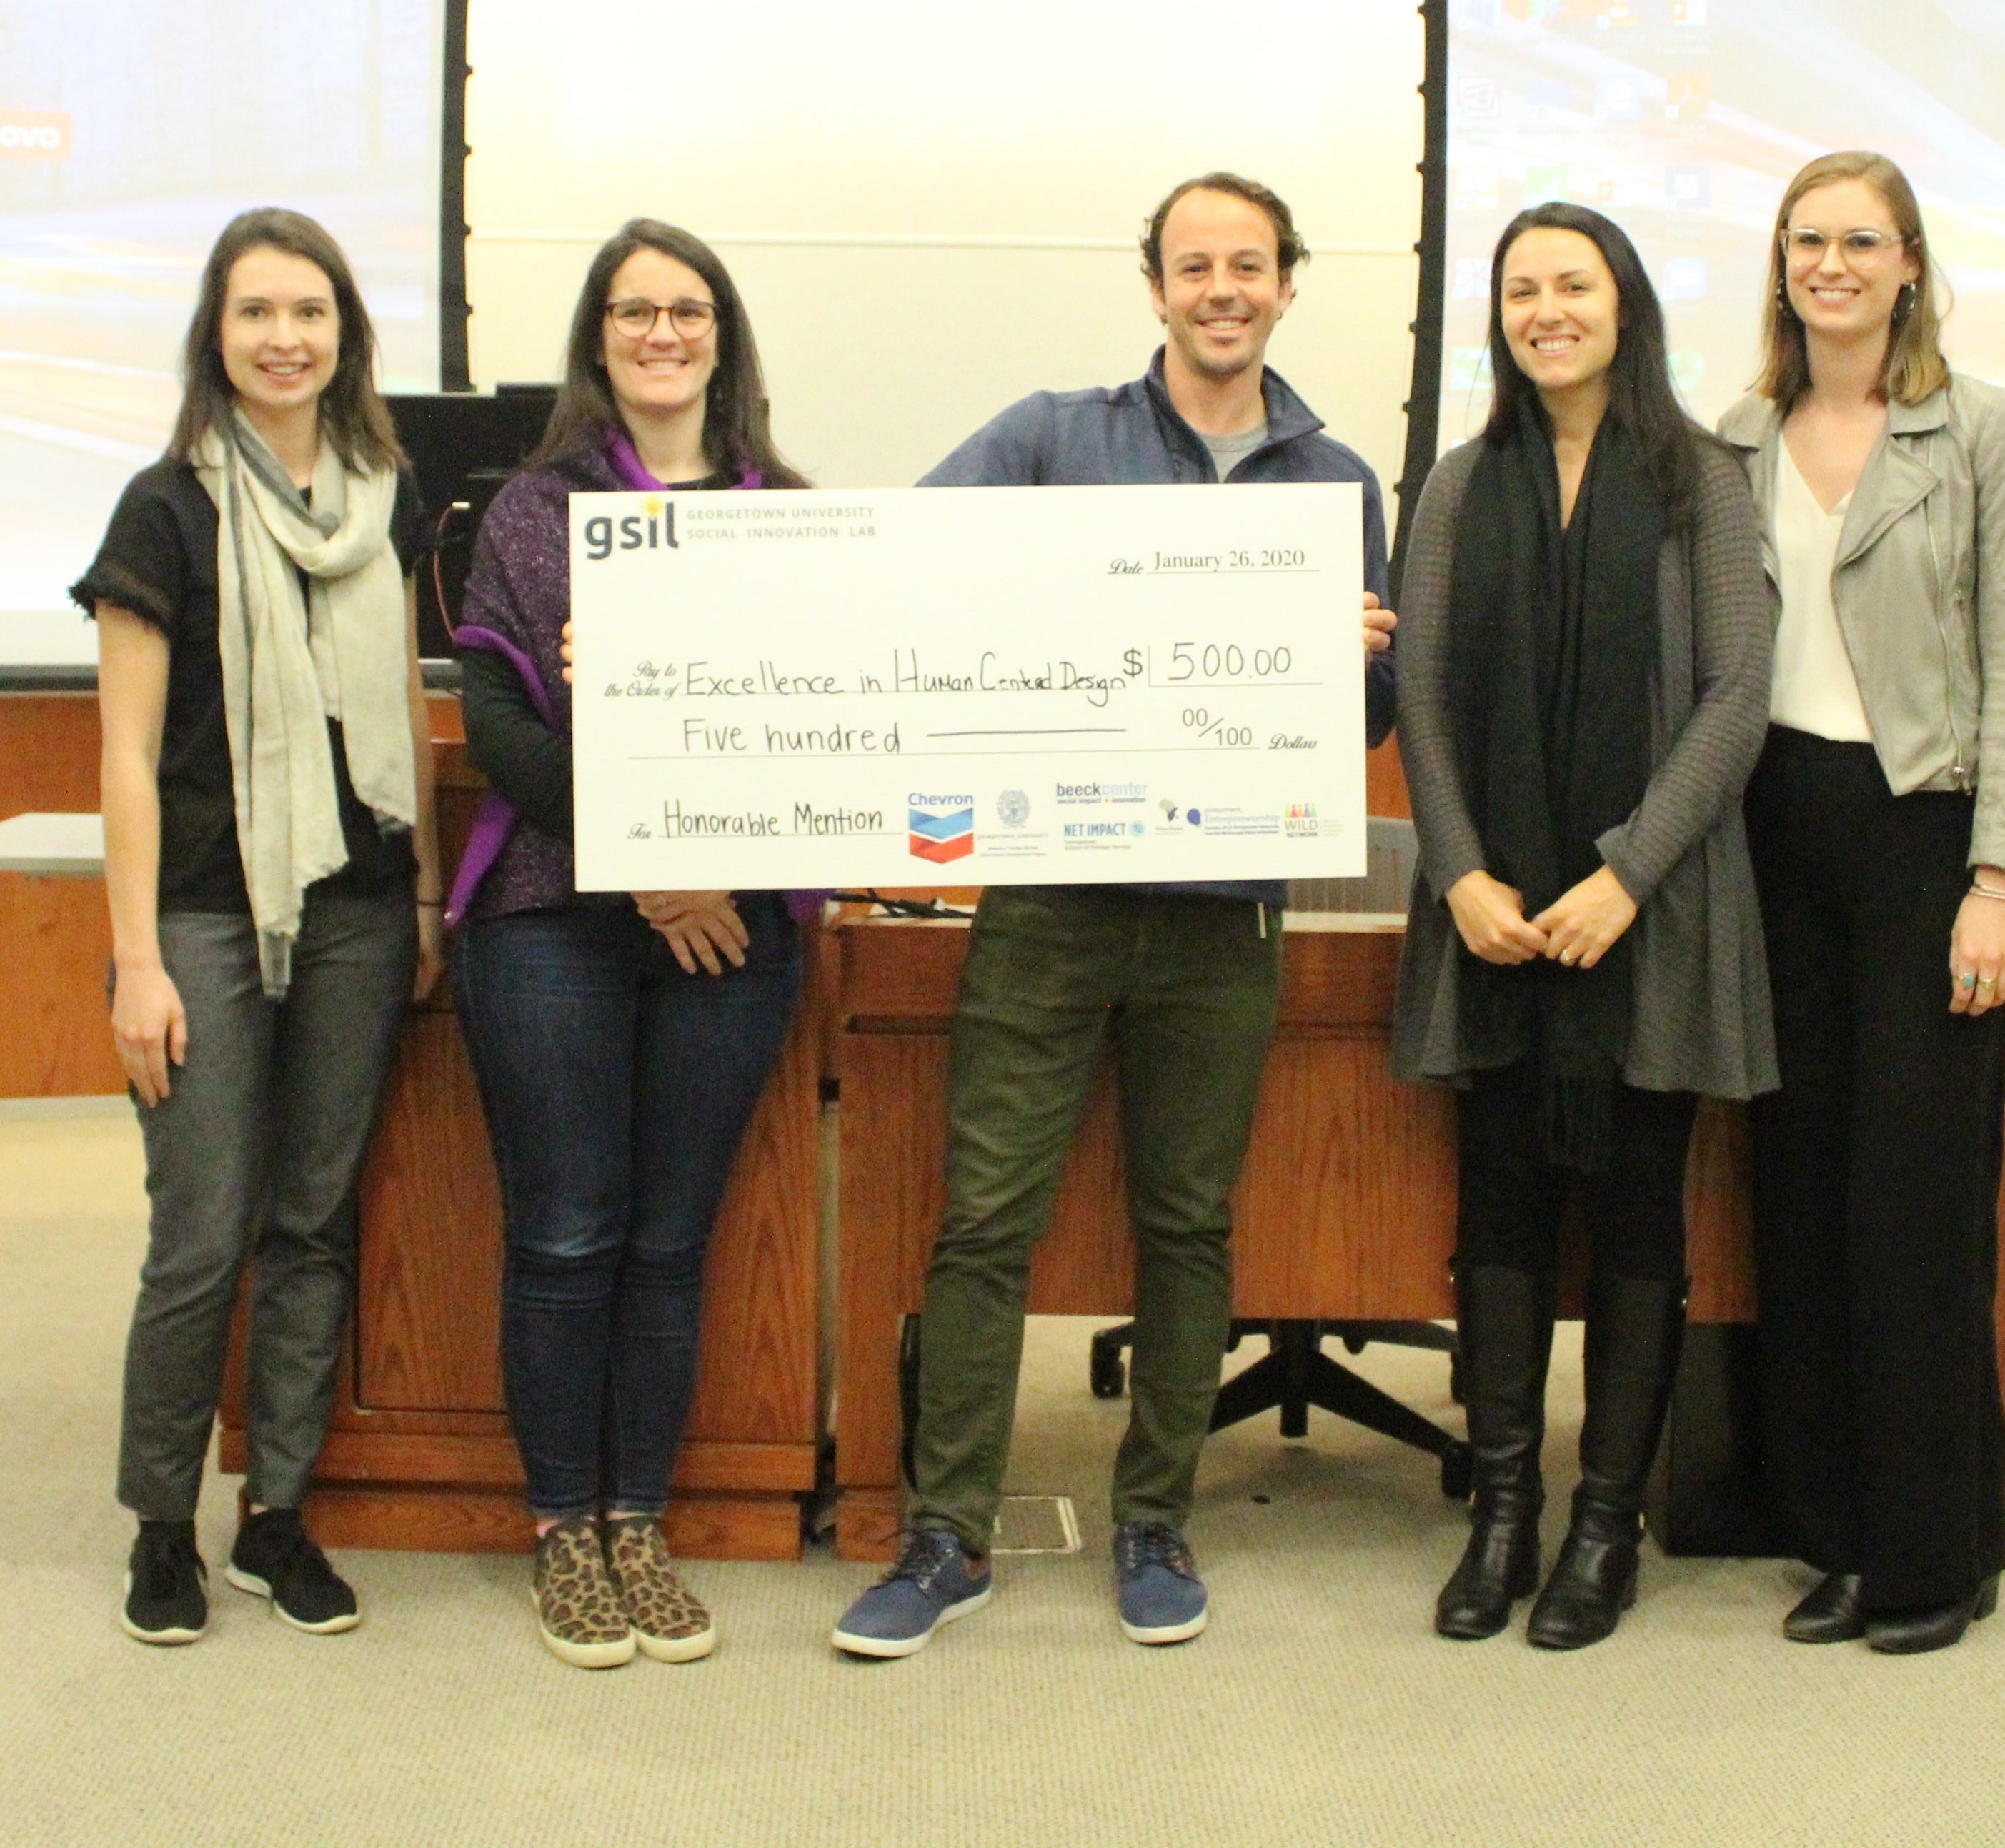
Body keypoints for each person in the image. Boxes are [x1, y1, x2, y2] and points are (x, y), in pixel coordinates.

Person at [832, 170, 1399, 1660]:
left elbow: (1370, 718)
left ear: (1288, 284)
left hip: (1224, 913)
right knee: (984, 1219)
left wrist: (1344, 660)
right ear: (1156, 285)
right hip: (1053, 897)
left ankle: (1156, 1519)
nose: (1223, 289)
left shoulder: (1338, 482)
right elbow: (901, 565)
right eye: (1195, 265)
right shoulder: (1051, 437)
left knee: (1189, 1225)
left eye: (1249, 265)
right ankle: (948, 1535)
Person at [1391, 201, 1773, 1649]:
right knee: (1494, 1213)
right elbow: (1424, 695)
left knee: (1635, 1216)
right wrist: (1461, 873)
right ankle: (1502, 1514)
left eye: (1574, 285)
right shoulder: (1456, 486)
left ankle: (1605, 1527)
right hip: (1492, 919)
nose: (1547, 310)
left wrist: (1626, 874)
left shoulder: (1704, 482)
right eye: (1522, 290)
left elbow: (1736, 696)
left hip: (1647, 920)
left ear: (1627, 307)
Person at [444, 219, 815, 1669]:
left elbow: (823, 736)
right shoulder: (534, 513)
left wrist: (716, 865)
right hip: (556, 919)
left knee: (670, 1241)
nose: (663, 333)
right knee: (566, 1230)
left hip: (738, 924)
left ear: (724, 335)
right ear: (598, 339)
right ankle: (563, 1529)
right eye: (634, 311)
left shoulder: (791, 516)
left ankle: (638, 1522)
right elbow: (497, 729)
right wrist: (658, 866)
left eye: (688, 309)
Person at [72, 208, 434, 1646]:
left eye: (310, 312)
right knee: (204, 1234)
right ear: (214, 337)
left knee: (313, 1225)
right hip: (204, 920)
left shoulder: (383, 497)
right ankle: (162, 1525)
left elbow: (399, 701)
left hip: (357, 909)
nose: (285, 338)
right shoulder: (163, 510)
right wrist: (138, 962)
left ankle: (276, 1514)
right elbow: (123, 752)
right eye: (256, 313)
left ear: (346, 333)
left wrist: (422, 895)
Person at [1712, 150, 2005, 1656]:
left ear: (1910, 262)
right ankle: (1840, 1539)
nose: (1832, 265)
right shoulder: (1739, 438)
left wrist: (2001, 877)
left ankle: (1936, 1554)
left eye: (1861, 240)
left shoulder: (1983, 430)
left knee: (1911, 1209)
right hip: (1770, 838)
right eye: (1809, 241)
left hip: (1923, 841)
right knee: (1799, 1201)